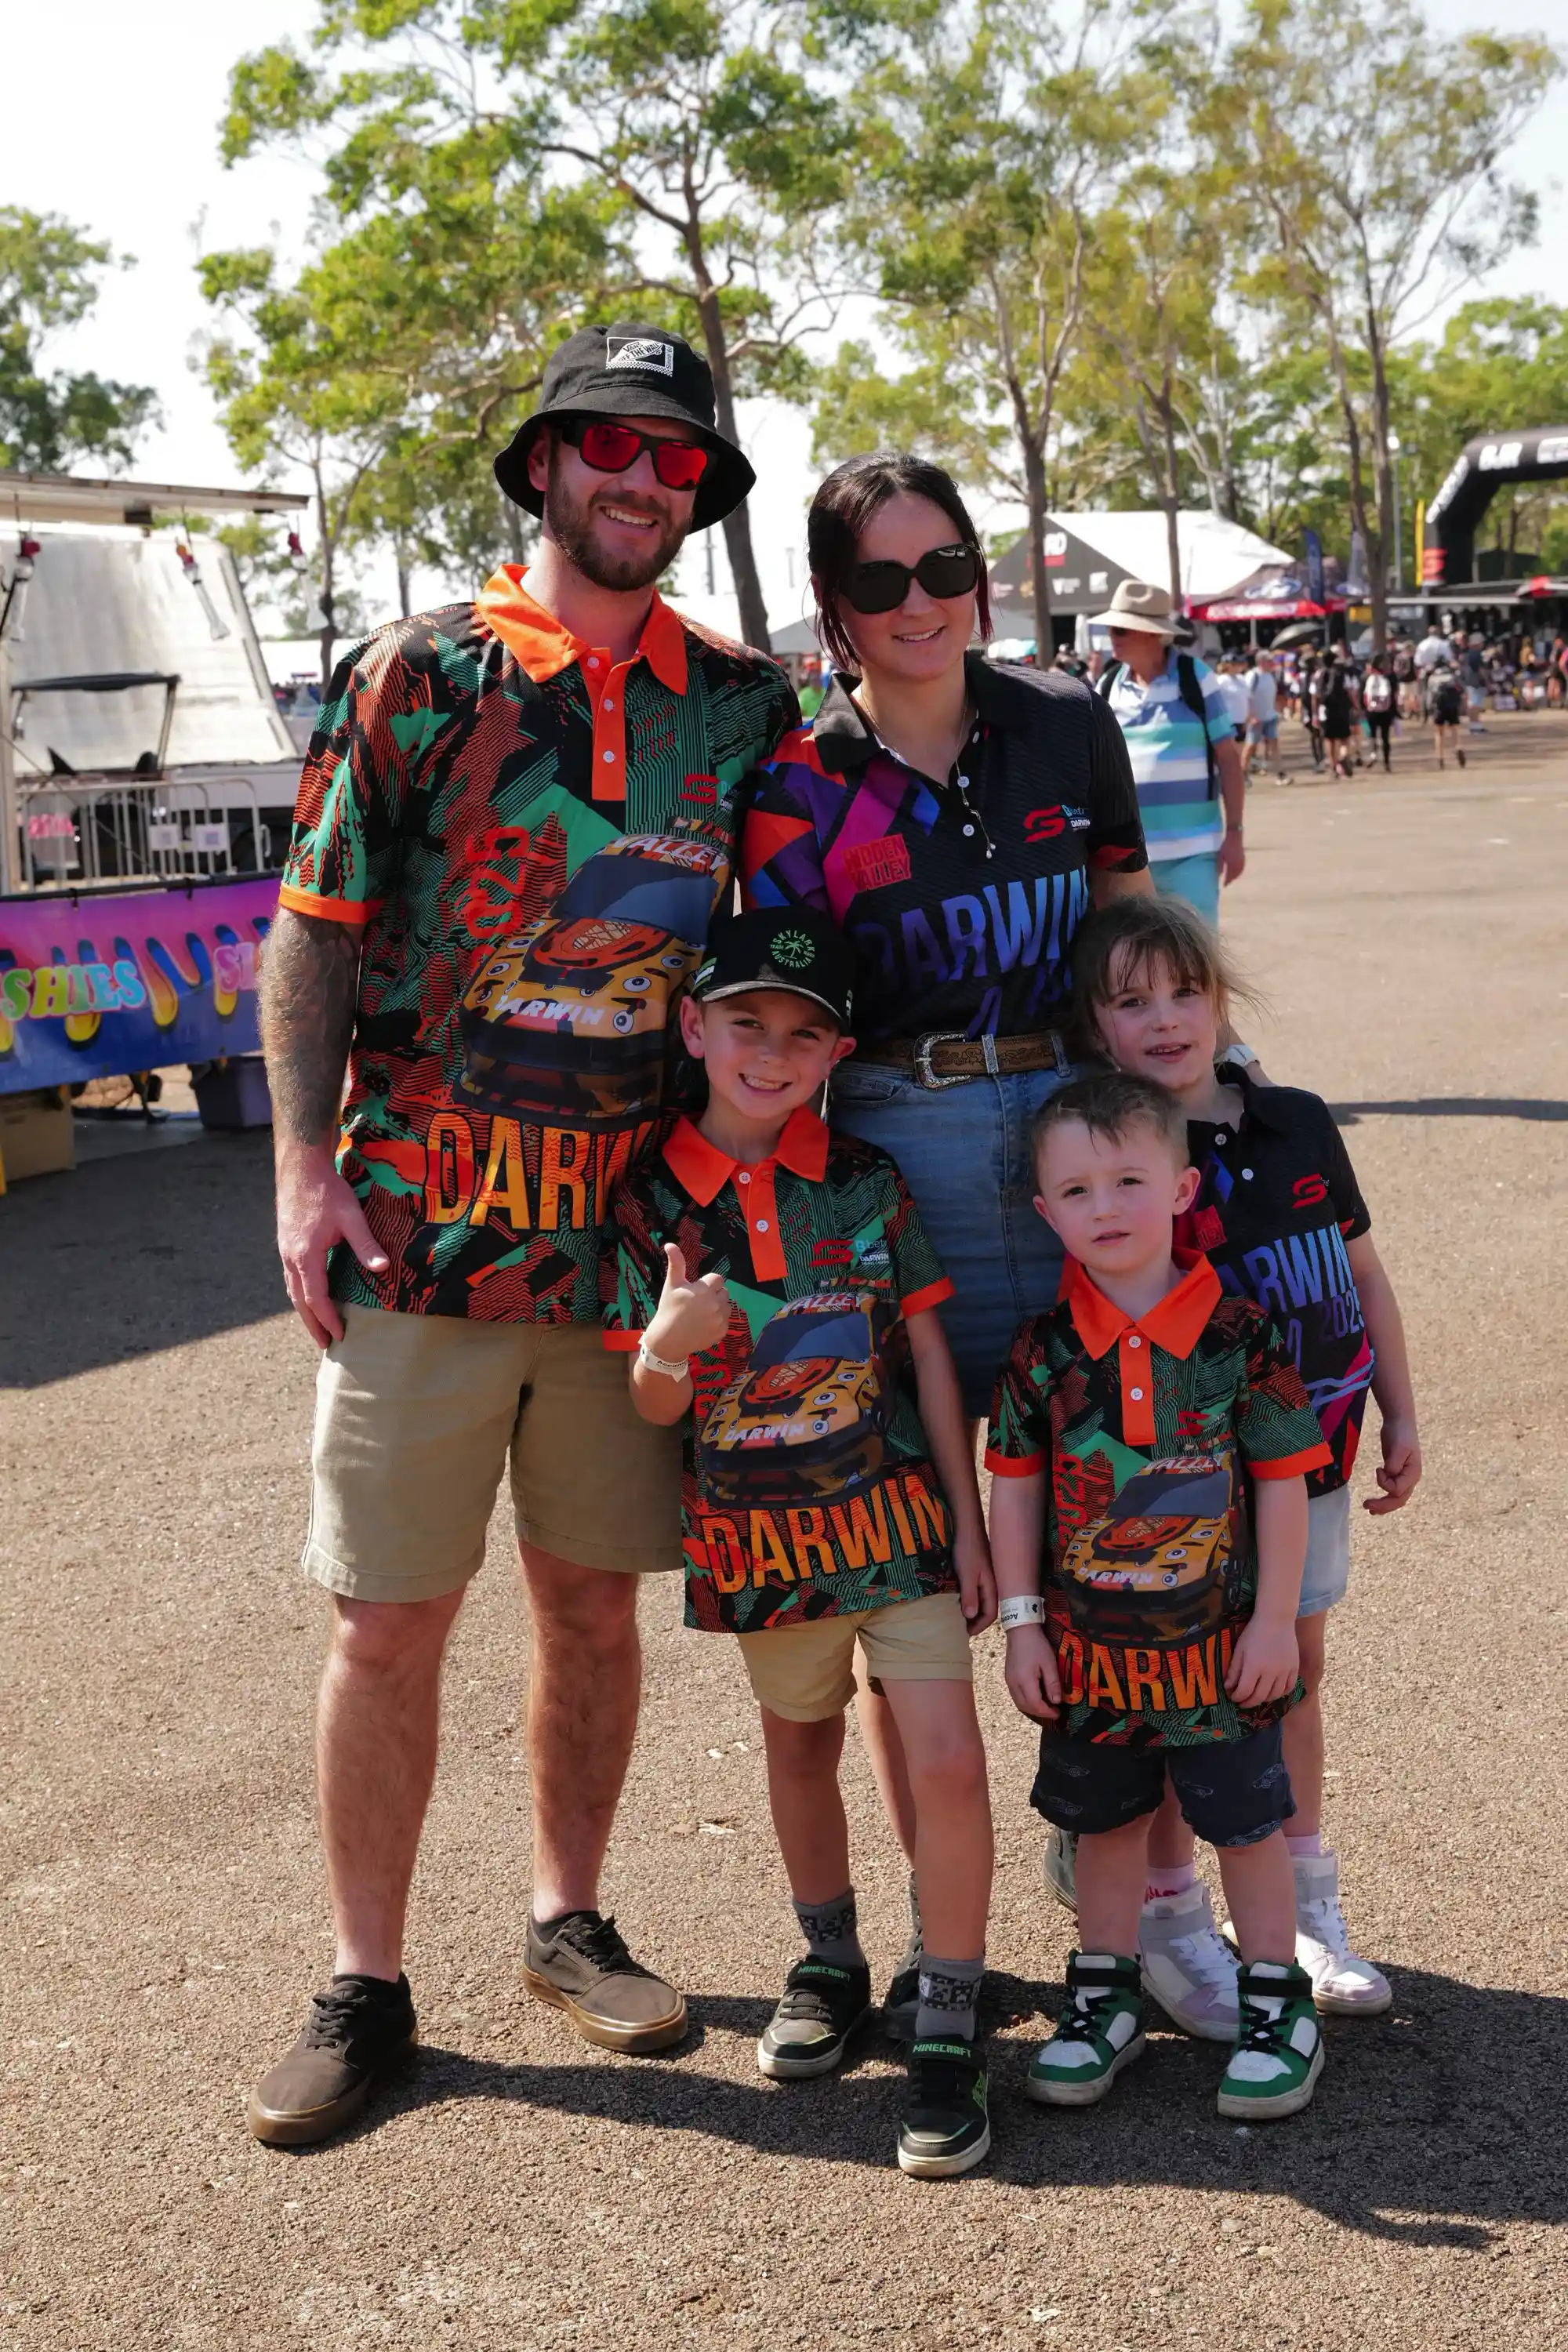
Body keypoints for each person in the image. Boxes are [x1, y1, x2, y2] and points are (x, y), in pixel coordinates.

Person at [246, 321, 800, 2148]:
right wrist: (301, 1174)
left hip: (629, 1249)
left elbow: (783, 949)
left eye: (671, 459)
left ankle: (569, 1920)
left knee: (590, 1602)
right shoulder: (425, 671)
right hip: (420, 1236)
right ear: (546, 464)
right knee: (390, 1618)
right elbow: (314, 925)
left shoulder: (740, 703)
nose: (638, 480)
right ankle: (363, 1982)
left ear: (694, 492)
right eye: (607, 448)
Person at [740, 452, 1153, 1997]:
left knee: (1121, 1519)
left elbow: (1125, 932)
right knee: (908, 1586)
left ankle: (1122, 1875)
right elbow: (776, 1010)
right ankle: (936, 1942)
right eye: (877, 581)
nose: (920, 605)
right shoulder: (796, 783)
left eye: (944, 568)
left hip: (1067, 1140)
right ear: (834, 610)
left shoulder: (1064, 722)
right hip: (893, 1146)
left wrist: (1173, 1135)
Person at [605, 906, 997, 2178]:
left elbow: (930, 1354)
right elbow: (653, 1403)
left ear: (836, 1053)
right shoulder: (654, 1196)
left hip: (901, 1524)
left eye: (802, 1033)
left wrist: (974, 1521)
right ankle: (829, 1958)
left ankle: (947, 2002)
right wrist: (670, 1341)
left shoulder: (868, 1180)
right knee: (801, 1748)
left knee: (946, 1758)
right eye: (747, 1025)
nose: (771, 1052)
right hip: (759, 1548)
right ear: (695, 1028)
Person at [1065, 897, 1422, 2027]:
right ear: (1096, 1027)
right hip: (1189, 1493)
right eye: (1131, 1002)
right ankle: (1171, 1915)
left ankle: (1309, 1909)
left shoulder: (1301, 1122)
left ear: (1222, 1001)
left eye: (1185, 992)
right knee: (1180, 1700)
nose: (1165, 1020)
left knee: (1291, 1678)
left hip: (1313, 1466)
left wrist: (1402, 1410)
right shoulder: (1118, 1154)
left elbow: (1364, 1277)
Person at [987, 1071, 1334, 2120]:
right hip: (1091, 1659)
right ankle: (1105, 1998)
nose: (1107, 1208)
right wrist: (1020, 1625)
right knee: (1104, 1828)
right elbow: (1014, 1494)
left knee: (1247, 1825)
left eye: (1130, 1179)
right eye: (1079, 1191)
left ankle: (1279, 2005)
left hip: (1223, 1652)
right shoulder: (1042, 1355)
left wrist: (1276, 1618)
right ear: (1046, 1213)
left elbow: (1283, 1486)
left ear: (1183, 1189)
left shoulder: (1238, 1337)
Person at [1090, 581, 1246, 927]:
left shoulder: (1197, 680)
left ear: (1151, 634)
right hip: (1125, 858)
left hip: (1192, 855)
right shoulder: (1106, 687)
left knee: (1197, 965)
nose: (1111, 636)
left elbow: (1229, 759)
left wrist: (1235, 833)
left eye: (1120, 629)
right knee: (1132, 967)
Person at [1316, 652, 1355, 779]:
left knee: (1330, 740)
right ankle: (1343, 756)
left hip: (1326, 711)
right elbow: (1350, 691)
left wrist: (1315, 714)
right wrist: (1356, 706)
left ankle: (1334, 767)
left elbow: (1315, 695)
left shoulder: (1319, 674)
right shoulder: (1342, 674)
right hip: (1342, 710)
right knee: (1345, 739)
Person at [1243, 649, 1281, 779]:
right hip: (1257, 718)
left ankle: (1280, 773)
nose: (1272, 663)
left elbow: (1272, 695)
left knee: (1274, 743)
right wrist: (1251, 716)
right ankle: (1242, 772)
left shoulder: (1270, 675)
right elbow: (1247, 697)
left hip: (1270, 716)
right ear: (1261, 662)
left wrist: (1277, 711)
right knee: (1251, 745)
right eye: (1269, 661)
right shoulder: (1253, 676)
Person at [1362, 655, 1395, 771]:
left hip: (1371, 710)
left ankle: (1373, 754)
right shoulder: (1389, 677)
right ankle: (1387, 762)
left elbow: (1363, 694)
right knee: (1385, 737)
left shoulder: (1366, 677)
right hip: (1385, 710)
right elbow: (1393, 695)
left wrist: (1364, 709)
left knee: (1372, 735)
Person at [1429, 659, 1465, 768]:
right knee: (1454, 728)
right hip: (1452, 705)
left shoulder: (1433, 678)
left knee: (1439, 733)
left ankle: (1440, 758)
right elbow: (1461, 690)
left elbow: (1429, 694)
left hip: (1439, 706)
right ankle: (1458, 747)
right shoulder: (1452, 676)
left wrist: (1429, 711)